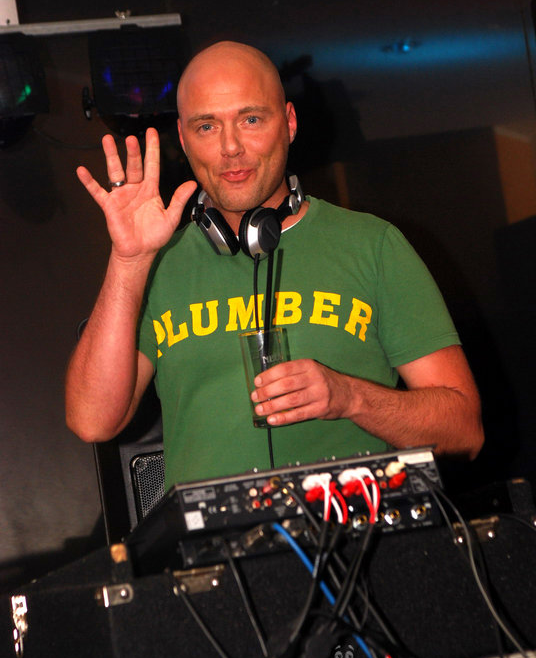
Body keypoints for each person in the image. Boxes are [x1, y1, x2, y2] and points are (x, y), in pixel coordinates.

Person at [65, 41, 484, 487]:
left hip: (351, 528)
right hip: (207, 536)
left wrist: (349, 397)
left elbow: (464, 431)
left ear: (289, 123)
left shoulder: (373, 246)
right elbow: (92, 421)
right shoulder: (159, 265)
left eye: (250, 119)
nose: (230, 147)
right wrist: (129, 261)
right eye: (207, 126)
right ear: (184, 140)